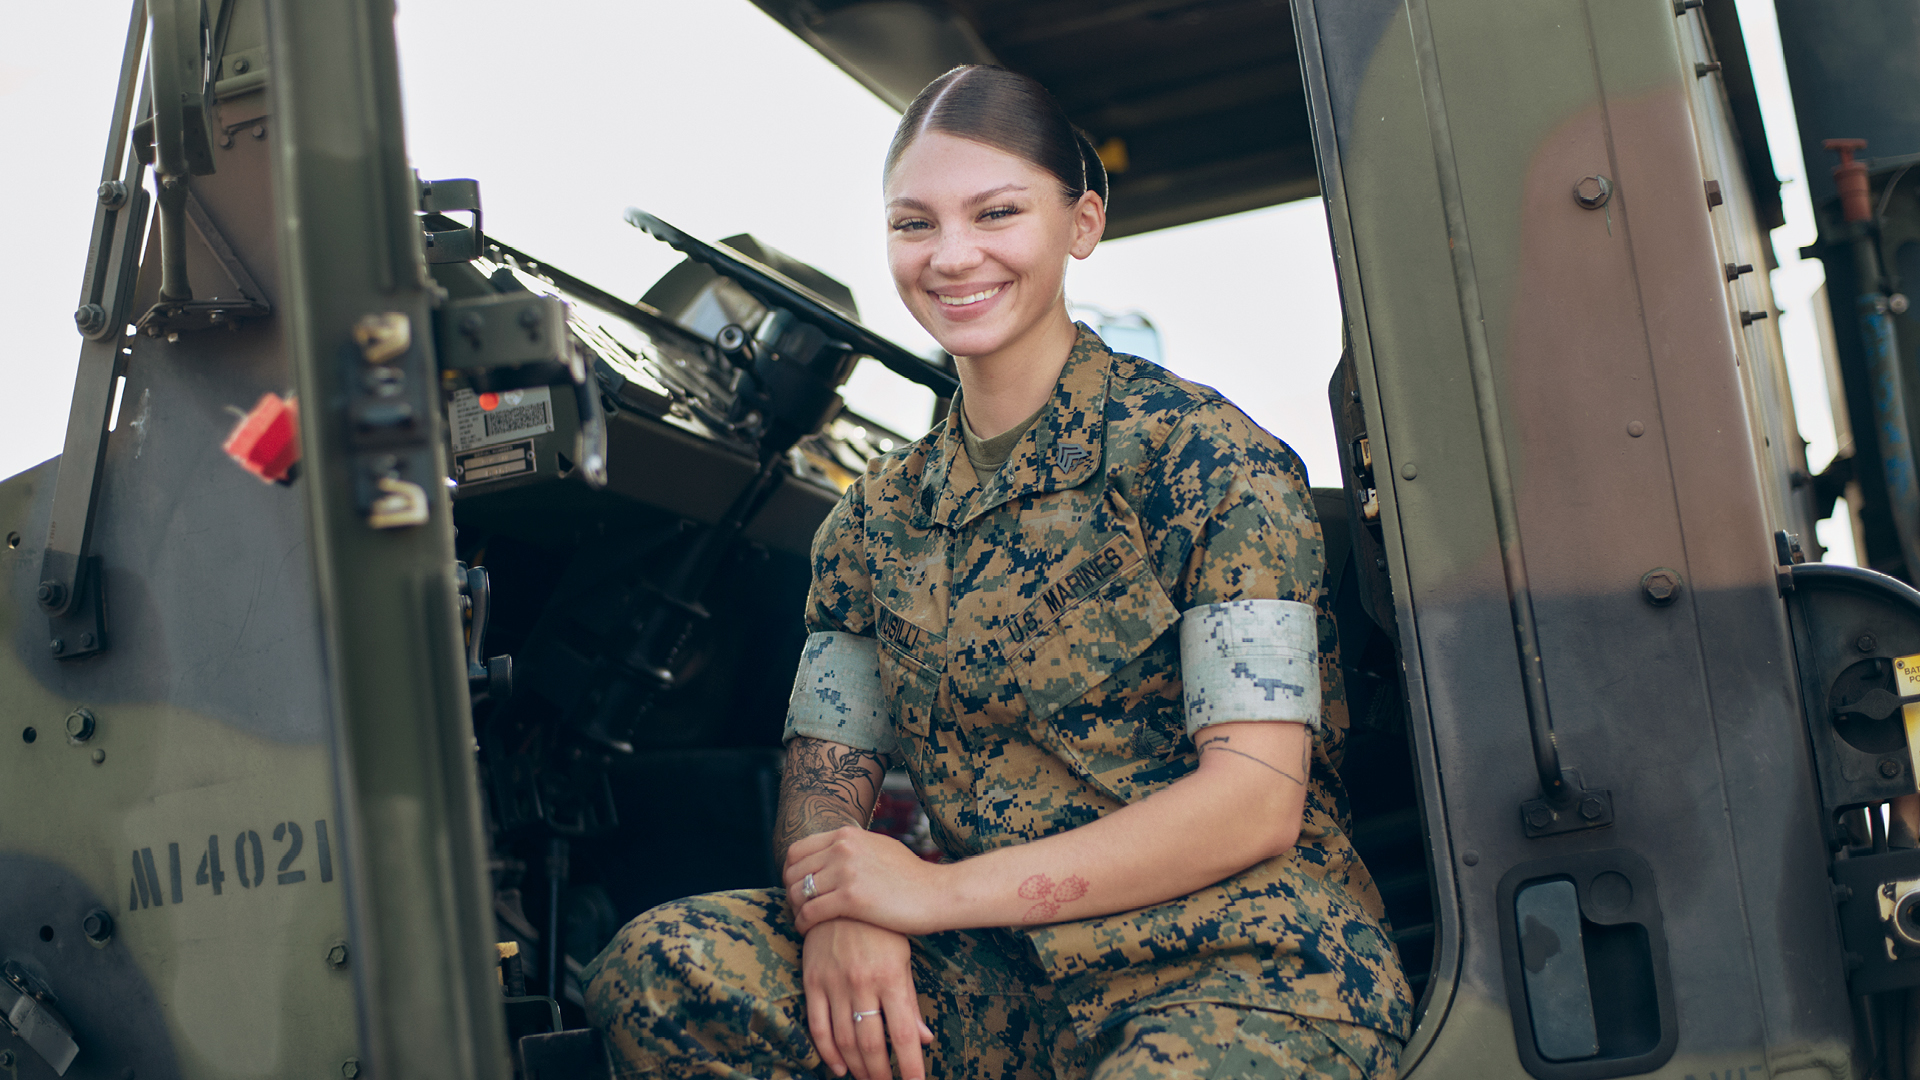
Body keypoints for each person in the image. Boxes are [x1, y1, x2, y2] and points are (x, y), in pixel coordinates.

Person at [583, 64, 1414, 1079]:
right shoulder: (874, 521)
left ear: (1082, 223)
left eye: (997, 213)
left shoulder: (1205, 459)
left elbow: (1254, 802)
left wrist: (927, 895)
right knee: (666, 970)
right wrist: (841, 909)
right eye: (915, 223)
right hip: (1007, 977)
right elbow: (822, 776)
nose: (952, 255)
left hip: (1239, 966)